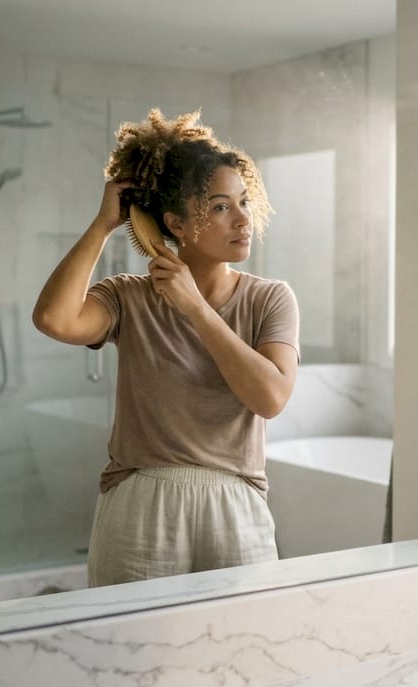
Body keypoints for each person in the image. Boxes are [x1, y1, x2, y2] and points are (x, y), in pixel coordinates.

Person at [33, 109, 300, 587]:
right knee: (130, 654)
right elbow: (54, 318)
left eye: (243, 202)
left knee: (237, 650)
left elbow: (270, 398)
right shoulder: (129, 296)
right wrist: (102, 224)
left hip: (235, 502)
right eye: (220, 207)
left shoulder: (270, 298)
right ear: (176, 222)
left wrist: (194, 307)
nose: (242, 219)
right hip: (140, 501)